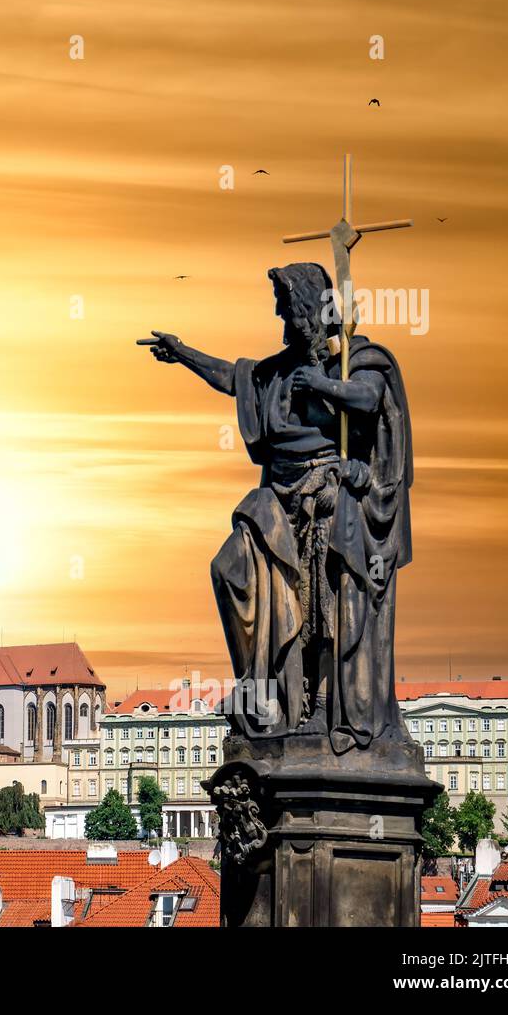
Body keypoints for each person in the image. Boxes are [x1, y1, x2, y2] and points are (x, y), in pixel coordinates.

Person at [141, 262, 413, 753]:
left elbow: (370, 399)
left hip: (332, 500)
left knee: (324, 608)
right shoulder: (280, 370)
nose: (280, 319)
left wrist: (324, 386)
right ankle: (266, 693)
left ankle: (321, 706)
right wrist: (183, 354)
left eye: (285, 310)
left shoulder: (356, 358)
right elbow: (234, 377)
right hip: (278, 496)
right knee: (230, 568)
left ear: (308, 311)